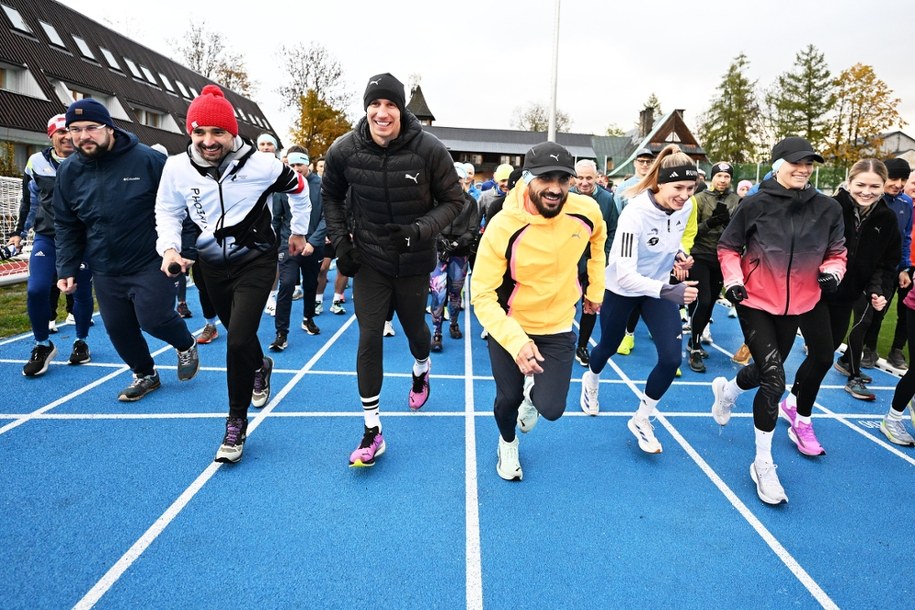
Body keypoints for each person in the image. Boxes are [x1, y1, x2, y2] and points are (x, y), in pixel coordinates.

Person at [155, 85, 309, 463]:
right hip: (211, 266)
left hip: (256, 262)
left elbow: (300, 188)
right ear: (190, 132)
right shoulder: (176, 167)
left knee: (237, 341)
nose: (208, 141)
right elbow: (167, 211)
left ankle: (235, 423)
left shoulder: (263, 165)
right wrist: (169, 248)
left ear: (232, 132)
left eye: (218, 132)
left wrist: (299, 231)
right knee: (240, 337)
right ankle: (261, 366)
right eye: (200, 132)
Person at [322, 73, 465, 468]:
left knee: (416, 332)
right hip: (370, 259)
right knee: (369, 337)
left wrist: (418, 231)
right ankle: (372, 430)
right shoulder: (344, 149)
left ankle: (421, 369)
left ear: (401, 109)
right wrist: (342, 243)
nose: (382, 113)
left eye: (390, 104)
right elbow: (330, 195)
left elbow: (454, 201)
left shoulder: (429, 149)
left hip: (414, 259)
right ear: (366, 108)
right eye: (375, 104)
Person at [710, 136, 846, 505]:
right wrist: (733, 280)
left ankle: (727, 392)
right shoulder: (755, 203)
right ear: (777, 164)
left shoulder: (828, 208)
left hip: (799, 302)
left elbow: (837, 252)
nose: (803, 169)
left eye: (808, 164)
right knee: (775, 379)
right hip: (754, 299)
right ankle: (763, 463)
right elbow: (728, 247)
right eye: (796, 163)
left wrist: (833, 272)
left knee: (763, 371)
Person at [473, 141, 606, 480]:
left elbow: (598, 242)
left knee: (552, 409)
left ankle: (532, 397)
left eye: (563, 179)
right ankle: (507, 443)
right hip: (511, 323)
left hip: (558, 324)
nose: (555, 188)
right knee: (507, 398)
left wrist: (595, 290)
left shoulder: (586, 210)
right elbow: (482, 295)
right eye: (546, 178)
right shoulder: (504, 225)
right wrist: (516, 341)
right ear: (528, 178)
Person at [54, 98, 200, 401]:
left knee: (154, 319)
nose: (83, 136)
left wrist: (185, 249)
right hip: (105, 265)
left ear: (109, 127)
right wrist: (67, 267)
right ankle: (145, 374)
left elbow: (182, 206)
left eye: (92, 127)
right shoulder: (68, 171)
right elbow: (67, 224)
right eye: (75, 130)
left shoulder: (148, 160)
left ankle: (185, 344)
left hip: (151, 258)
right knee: (118, 328)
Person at [580, 145, 697, 450]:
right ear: (660, 183)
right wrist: (670, 290)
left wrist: (679, 256)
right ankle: (591, 380)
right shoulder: (635, 213)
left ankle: (642, 418)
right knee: (608, 346)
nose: (685, 195)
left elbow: (669, 240)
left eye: (690, 188)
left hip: (657, 288)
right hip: (624, 289)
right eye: (678, 188)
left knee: (671, 359)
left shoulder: (685, 207)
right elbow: (625, 273)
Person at [780, 159, 897, 453]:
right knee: (822, 356)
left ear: (883, 186)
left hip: (847, 296)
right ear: (849, 181)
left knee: (823, 354)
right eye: (861, 184)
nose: (867, 191)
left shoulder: (887, 219)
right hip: (815, 292)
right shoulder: (829, 208)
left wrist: (877, 291)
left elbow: (884, 264)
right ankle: (802, 422)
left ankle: (792, 402)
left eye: (874, 186)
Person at [15, 113, 95, 376]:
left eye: (70, 131)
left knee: (80, 291)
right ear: (50, 136)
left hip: (81, 239)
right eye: (60, 132)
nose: (67, 136)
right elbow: (30, 202)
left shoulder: (90, 160)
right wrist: (18, 233)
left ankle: (81, 341)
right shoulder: (36, 162)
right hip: (47, 237)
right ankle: (42, 344)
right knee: (36, 289)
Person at [854, 158, 913, 371]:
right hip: (868, 267)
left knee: (881, 310)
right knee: (865, 313)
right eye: (894, 178)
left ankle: (870, 349)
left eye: (903, 179)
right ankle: (856, 353)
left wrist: (905, 268)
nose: (898, 184)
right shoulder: (871, 200)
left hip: (893, 269)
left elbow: (906, 237)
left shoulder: (906, 203)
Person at [685, 162, 741, 373]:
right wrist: (711, 222)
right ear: (712, 177)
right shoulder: (698, 199)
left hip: (722, 257)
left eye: (726, 176)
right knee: (703, 299)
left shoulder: (736, 200)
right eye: (719, 176)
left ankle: (694, 339)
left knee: (709, 304)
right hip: (700, 255)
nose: (722, 180)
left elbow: (740, 230)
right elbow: (690, 231)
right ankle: (695, 347)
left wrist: (727, 224)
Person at [270, 148, 324, 350]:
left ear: (307, 163)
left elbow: (327, 217)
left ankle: (308, 318)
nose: (295, 169)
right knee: (287, 284)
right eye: (291, 165)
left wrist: (313, 242)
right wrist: (273, 246)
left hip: (313, 244)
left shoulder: (322, 185)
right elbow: (276, 218)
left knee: (311, 284)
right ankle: (281, 333)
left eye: (299, 164)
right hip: (289, 244)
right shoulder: (282, 186)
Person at [570, 158, 618, 367]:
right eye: (580, 178)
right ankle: (563, 342)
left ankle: (582, 346)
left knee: (590, 305)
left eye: (589, 178)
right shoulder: (567, 196)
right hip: (570, 261)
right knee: (566, 303)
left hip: (594, 262)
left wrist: (604, 255)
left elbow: (613, 230)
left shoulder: (607, 199)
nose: (584, 182)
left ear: (597, 177)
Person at [429, 163, 480, 351]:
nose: (455, 183)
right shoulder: (437, 200)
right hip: (438, 253)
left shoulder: (470, 202)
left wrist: (457, 243)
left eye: (459, 179)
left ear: (464, 181)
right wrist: (441, 240)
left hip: (460, 254)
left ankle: (453, 323)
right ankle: (436, 332)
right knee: (438, 293)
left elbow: (473, 229)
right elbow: (430, 222)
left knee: (455, 293)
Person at [613, 147, 655, 355]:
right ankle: (627, 334)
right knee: (631, 293)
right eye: (641, 161)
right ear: (635, 163)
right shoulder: (625, 188)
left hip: (655, 249)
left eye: (649, 161)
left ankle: (661, 337)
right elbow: (617, 218)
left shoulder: (658, 185)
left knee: (654, 294)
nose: (645, 165)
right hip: (630, 249)